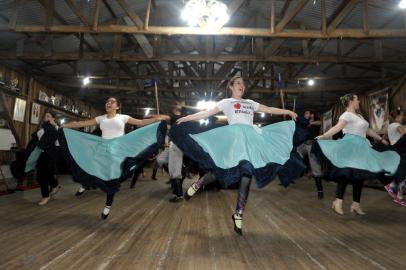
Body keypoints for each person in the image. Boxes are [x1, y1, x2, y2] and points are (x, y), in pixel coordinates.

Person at [172, 76, 298, 235]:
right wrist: (187, 117)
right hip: (234, 142)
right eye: (238, 83)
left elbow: (269, 109)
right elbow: (206, 113)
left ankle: (238, 214)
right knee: (222, 170)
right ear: (231, 86)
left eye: (243, 84)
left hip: (249, 142)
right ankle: (198, 184)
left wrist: (287, 111)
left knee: (247, 175)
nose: (242, 86)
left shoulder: (250, 103)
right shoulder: (226, 102)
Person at [61, 97, 167, 219]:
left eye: (111, 102)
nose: (108, 103)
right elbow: (83, 123)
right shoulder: (101, 118)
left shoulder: (123, 117)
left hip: (117, 150)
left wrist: (156, 119)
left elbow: (141, 122)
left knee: (112, 177)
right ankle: (85, 184)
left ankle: (108, 205)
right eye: (107, 102)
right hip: (102, 148)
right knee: (91, 166)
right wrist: (66, 126)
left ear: (117, 106)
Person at [315, 94, 400, 215]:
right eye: (357, 99)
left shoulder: (359, 115)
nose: (359, 101)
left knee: (359, 175)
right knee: (346, 173)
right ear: (351, 101)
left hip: (362, 147)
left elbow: (368, 130)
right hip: (351, 146)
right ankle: (338, 201)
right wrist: (324, 136)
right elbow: (338, 127)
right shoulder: (346, 115)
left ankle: (356, 204)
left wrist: (380, 139)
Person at [296, 111, 324, 199]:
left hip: (312, 146)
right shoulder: (304, 123)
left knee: (316, 169)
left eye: (307, 113)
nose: (305, 115)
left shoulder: (316, 122)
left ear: (312, 114)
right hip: (303, 145)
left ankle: (320, 190)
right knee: (295, 152)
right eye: (305, 114)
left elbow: (320, 122)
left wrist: (311, 123)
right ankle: (301, 169)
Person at [36, 112, 62, 205]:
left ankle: (45, 196)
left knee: (43, 176)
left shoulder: (56, 129)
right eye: (45, 116)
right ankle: (55, 184)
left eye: (48, 116)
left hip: (50, 155)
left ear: (53, 118)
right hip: (41, 153)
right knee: (42, 175)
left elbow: (58, 144)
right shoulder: (42, 128)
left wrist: (55, 127)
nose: (46, 117)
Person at [384, 109, 406, 206]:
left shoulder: (389, 126)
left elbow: (385, 136)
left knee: (401, 172)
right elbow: (404, 136)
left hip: (395, 151)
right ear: (397, 117)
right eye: (401, 116)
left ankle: (392, 185)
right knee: (403, 173)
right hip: (401, 151)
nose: (403, 118)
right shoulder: (398, 125)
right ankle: (398, 195)